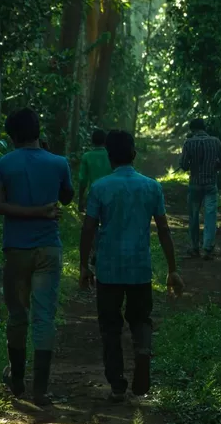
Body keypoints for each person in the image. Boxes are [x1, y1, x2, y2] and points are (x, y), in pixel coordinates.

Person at [79, 130, 184, 405]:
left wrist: (83, 266)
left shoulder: (100, 187)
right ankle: (143, 351)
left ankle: (116, 385)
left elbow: (88, 228)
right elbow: (163, 229)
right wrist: (172, 269)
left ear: (109, 157)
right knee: (140, 318)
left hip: (109, 269)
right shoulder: (152, 187)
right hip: (139, 268)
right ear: (134, 155)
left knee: (110, 326)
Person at [0, 108, 74, 406]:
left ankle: (17, 381)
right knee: (44, 316)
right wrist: (41, 209)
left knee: (17, 315)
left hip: (16, 249)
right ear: (38, 131)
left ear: (12, 135)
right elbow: (67, 196)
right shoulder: (59, 162)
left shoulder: (2, 164)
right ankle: (41, 389)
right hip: (49, 247)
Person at [178, 118, 221, 260]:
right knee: (210, 215)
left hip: (195, 184)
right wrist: (214, 166)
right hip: (211, 184)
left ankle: (194, 247)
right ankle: (208, 248)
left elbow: (184, 165)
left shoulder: (189, 143)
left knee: (194, 216)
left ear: (192, 130)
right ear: (204, 128)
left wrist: (190, 165)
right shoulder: (215, 142)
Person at [77, 129, 113, 277]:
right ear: (105, 142)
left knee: (92, 226)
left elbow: (82, 180)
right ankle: (106, 252)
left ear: (92, 141)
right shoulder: (111, 155)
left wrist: (80, 198)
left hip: (94, 194)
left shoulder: (87, 156)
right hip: (111, 194)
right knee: (108, 223)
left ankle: (97, 251)